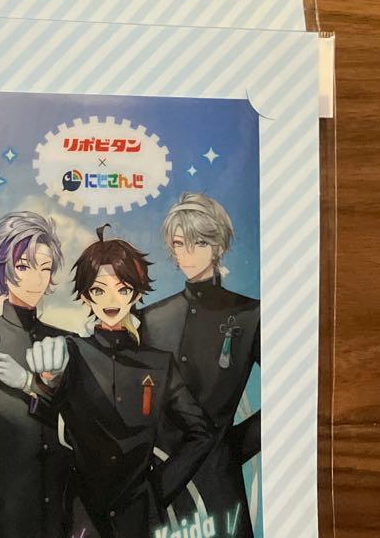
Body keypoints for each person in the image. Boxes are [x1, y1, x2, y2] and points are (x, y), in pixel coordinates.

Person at [26, 225, 214, 538]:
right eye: (99, 290)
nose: (111, 300)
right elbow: (42, 416)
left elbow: (202, 434)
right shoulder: (71, 352)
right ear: (86, 296)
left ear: (136, 294)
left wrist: (158, 489)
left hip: (139, 516)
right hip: (81, 514)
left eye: (122, 289)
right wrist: (46, 381)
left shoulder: (159, 364)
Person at [141, 193, 261, 536]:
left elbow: (291, 393)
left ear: (218, 245)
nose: (187, 254)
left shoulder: (250, 315)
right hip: (159, 483)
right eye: (179, 243)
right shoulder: (150, 318)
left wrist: (230, 448)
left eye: (199, 242)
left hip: (220, 487)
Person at [0, 211, 72, 538]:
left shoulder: (69, 343)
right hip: (3, 521)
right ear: (1, 269)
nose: (37, 280)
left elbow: (82, 431)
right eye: (23, 266)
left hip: (63, 517)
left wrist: (30, 384)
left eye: (45, 268)